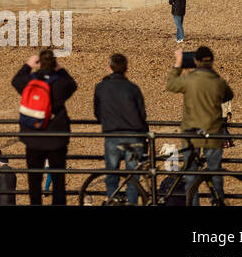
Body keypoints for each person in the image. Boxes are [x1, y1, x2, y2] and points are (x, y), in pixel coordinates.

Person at [166, 46, 233, 205]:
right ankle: (217, 201)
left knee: (191, 175)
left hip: (191, 132)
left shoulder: (190, 79)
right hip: (213, 132)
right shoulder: (217, 81)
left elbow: (170, 84)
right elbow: (228, 95)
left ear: (195, 61)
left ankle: (193, 204)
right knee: (215, 172)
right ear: (211, 62)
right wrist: (212, 74)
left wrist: (178, 64)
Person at [12, 49, 77, 206]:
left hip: (33, 137)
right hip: (56, 139)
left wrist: (28, 65)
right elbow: (72, 84)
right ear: (54, 64)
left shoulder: (30, 82)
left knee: (34, 181)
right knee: (58, 181)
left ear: (38, 64)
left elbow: (16, 80)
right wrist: (60, 69)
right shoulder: (60, 84)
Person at [92, 53, 147, 205]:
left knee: (111, 176)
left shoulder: (101, 87)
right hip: (134, 135)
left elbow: (97, 113)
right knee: (133, 178)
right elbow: (142, 115)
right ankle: (132, 203)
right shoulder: (133, 88)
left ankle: (113, 200)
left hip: (112, 134)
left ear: (109, 68)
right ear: (126, 69)